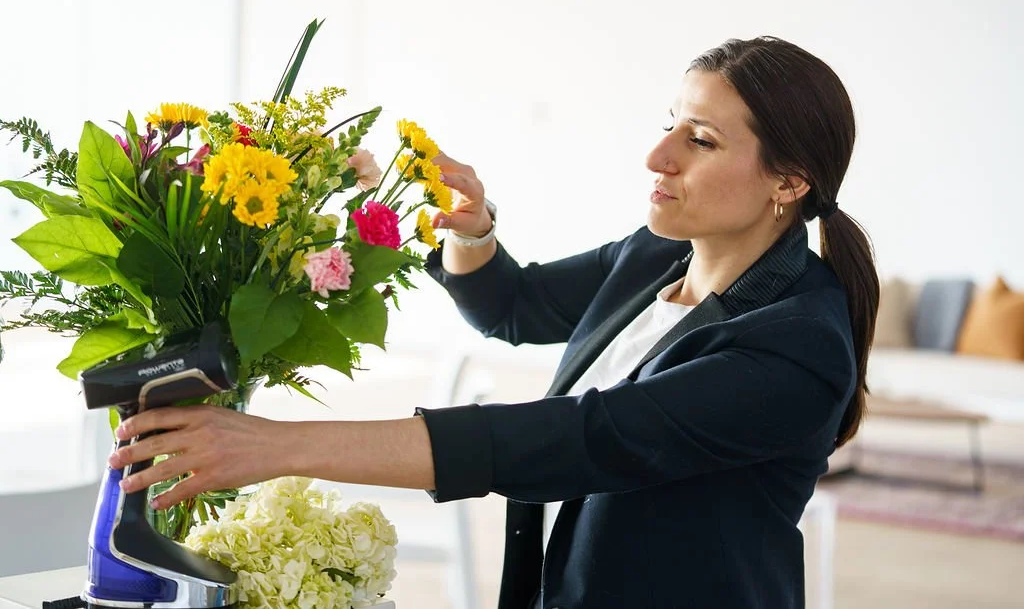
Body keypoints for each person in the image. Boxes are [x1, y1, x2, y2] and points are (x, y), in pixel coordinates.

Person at [112, 36, 879, 609]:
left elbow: (582, 435)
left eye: (700, 140)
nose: (657, 154)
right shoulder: (657, 254)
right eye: (671, 123)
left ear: (789, 180)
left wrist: (275, 446)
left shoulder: (799, 343)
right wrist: (467, 227)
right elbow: (517, 306)